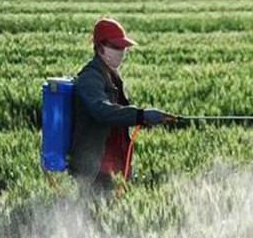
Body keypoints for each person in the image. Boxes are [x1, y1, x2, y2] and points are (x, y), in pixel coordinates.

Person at [69, 17, 177, 193]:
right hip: (93, 168)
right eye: (117, 47)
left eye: (124, 48)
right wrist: (141, 115)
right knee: (93, 214)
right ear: (100, 47)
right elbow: (102, 111)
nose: (122, 52)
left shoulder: (112, 76)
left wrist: (146, 119)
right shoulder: (90, 78)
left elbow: (119, 118)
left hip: (113, 165)